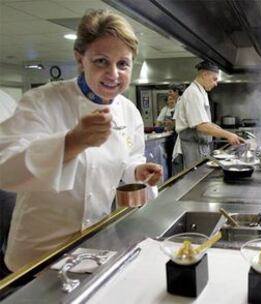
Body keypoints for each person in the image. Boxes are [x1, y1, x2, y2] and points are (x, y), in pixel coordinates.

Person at [0, 9, 162, 274]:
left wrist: (137, 171)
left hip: (92, 247)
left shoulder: (128, 111)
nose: (113, 73)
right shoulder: (43, 101)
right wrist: (70, 143)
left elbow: (129, 159)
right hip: (36, 255)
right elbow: (5, 170)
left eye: (123, 64)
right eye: (101, 61)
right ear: (80, 59)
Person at [173, 60, 243, 170]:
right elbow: (201, 126)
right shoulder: (193, 93)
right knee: (194, 180)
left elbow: (206, 123)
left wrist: (227, 133)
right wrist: (228, 135)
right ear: (205, 74)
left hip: (200, 146)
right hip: (191, 148)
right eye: (214, 79)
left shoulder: (202, 92)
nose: (216, 83)